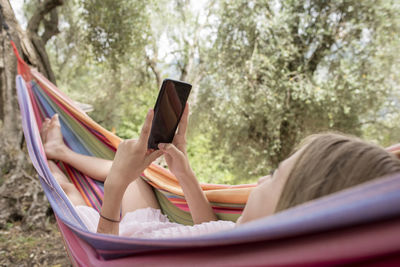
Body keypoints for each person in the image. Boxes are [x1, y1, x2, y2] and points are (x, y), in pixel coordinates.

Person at [40, 106, 400, 238]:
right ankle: (60, 150)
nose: (259, 180)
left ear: (293, 210)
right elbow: (207, 227)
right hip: (147, 224)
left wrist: (114, 191)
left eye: (274, 176)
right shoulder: (239, 236)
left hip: (113, 237)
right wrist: (185, 173)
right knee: (137, 169)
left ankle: (54, 159)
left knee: (68, 191)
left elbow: (106, 259)